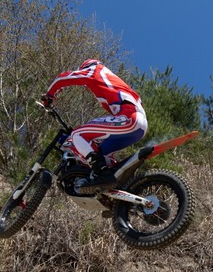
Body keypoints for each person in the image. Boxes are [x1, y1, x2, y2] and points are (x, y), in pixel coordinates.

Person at [40, 59, 148, 189]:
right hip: (138, 126)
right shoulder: (112, 83)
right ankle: (113, 186)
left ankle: (102, 173)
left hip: (130, 117)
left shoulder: (95, 70)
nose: (87, 89)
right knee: (101, 152)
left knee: (77, 134)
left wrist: (49, 96)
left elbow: (63, 79)